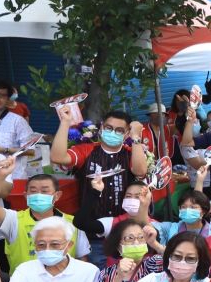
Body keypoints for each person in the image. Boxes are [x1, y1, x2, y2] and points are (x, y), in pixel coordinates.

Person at [51, 108, 149, 265]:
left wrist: (136, 137)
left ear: (125, 134)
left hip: (125, 233)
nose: (112, 132)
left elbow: (140, 171)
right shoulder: (87, 150)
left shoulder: (130, 153)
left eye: (119, 130)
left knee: (127, 278)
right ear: (102, 127)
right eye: (109, 128)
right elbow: (57, 157)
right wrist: (65, 123)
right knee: (99, 279)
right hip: (92, 232)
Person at [0, 160, 91, 268]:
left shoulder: (74, 223)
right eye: (33, 191)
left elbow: (82, 259)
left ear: (57, 195)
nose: (38, 195)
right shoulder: (14, 220)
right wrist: (0, 176)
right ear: (26, 196)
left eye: (44, 191)